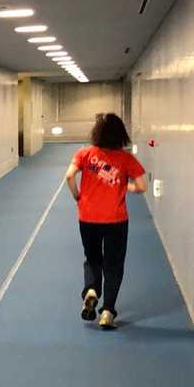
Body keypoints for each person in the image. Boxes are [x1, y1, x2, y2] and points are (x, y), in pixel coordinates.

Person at [64, 113, 147, 330]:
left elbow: (69, 176)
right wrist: (127, 186)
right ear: (121, 135)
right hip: (116, 220)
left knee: (92, 259)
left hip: (87, 218)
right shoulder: (126, 159)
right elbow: (142, 186)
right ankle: (107, 312)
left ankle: (92, 289)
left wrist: (77, 196)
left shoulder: (85, 153)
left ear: (97, 133)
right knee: (113, 265)